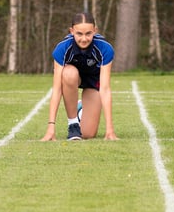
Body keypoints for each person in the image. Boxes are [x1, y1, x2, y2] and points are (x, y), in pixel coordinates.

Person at [41, 12, 117, 141]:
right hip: (72, 77)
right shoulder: (62, 48)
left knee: (87, 134)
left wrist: (110, 129)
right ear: (72, 31)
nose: (84, 39)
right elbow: (57, 88)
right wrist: (51, 126)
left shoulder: (105, 48)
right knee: (69, 73)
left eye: (88, 33)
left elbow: (105, 88)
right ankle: (73, 124)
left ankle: (80, 108)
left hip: (93, 81)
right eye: (79, 34)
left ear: (95, 31)